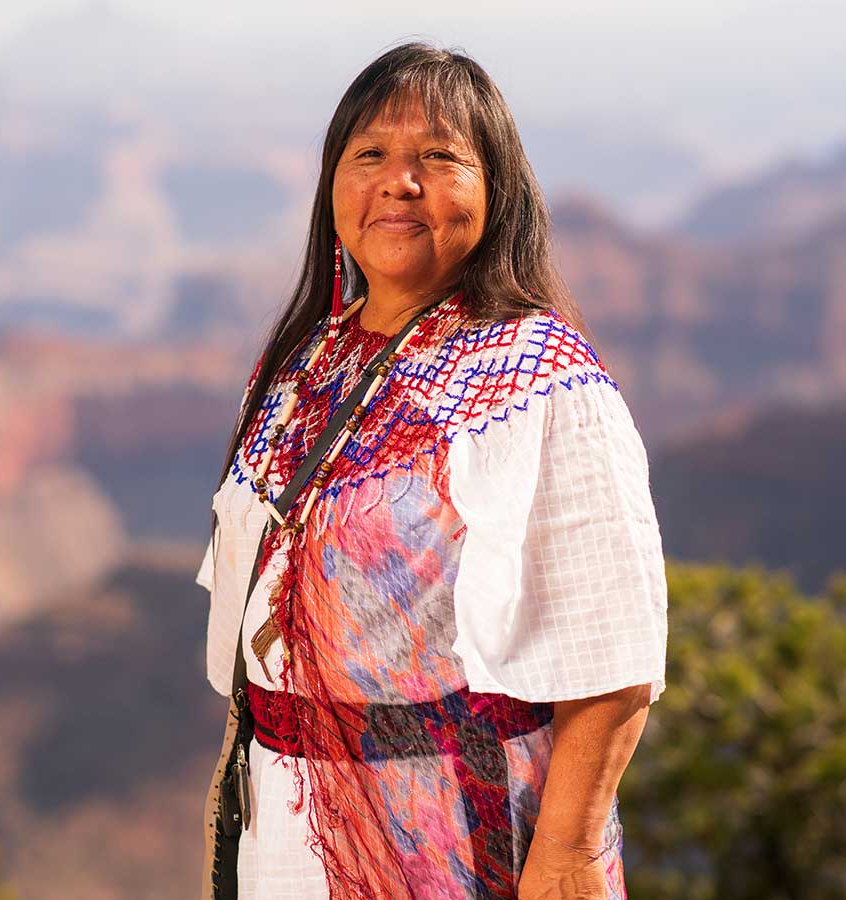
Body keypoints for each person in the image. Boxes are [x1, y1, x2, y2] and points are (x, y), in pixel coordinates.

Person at [195, 41, 667, 900]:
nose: (398, 182)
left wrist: (565, 854)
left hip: (458, 829)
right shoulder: (302, 365)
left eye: (438, 158)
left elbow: (616, 647)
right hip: (287, 823)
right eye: (370, 154)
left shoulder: (543, 381)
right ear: (332, 186)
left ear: (497, 189)